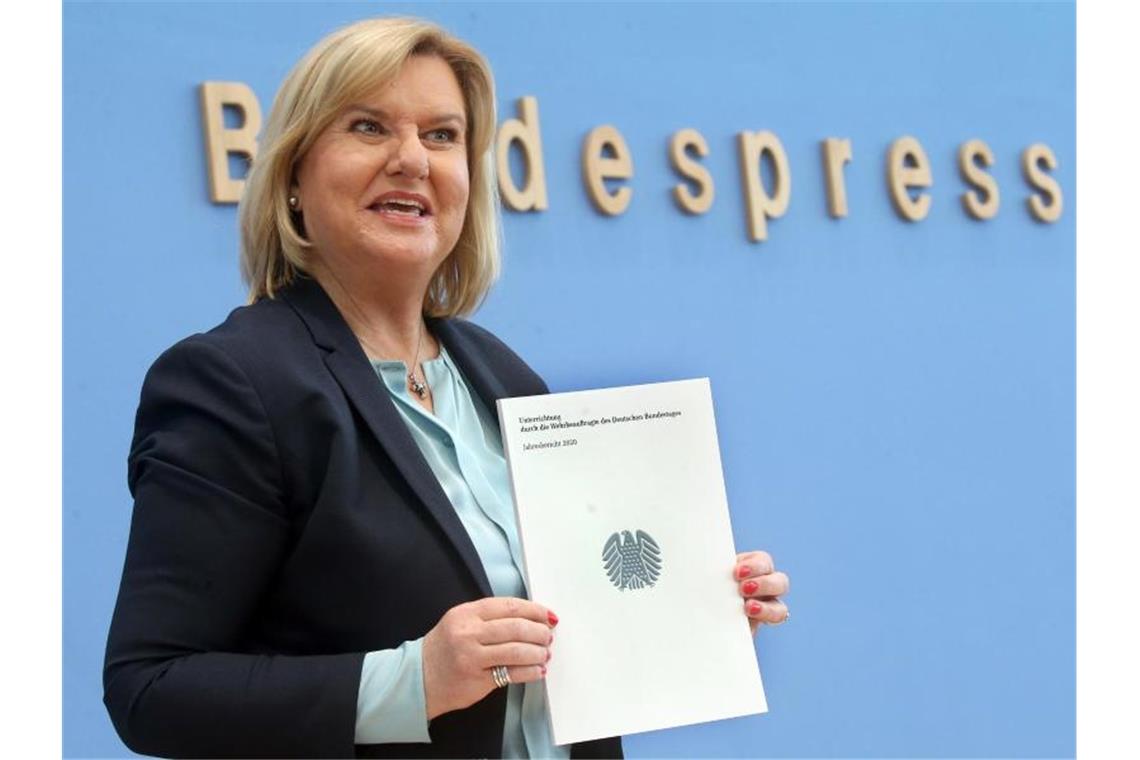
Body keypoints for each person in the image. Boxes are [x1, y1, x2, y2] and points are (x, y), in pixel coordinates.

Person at [103, 16, 790, 759]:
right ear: (294, 176)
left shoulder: (502, 376)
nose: (412, 160)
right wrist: (414, 680)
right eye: (369, 127)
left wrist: (687, 612)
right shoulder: (233, 382)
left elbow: (571, 627)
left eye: (441, 136)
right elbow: (152, 689)